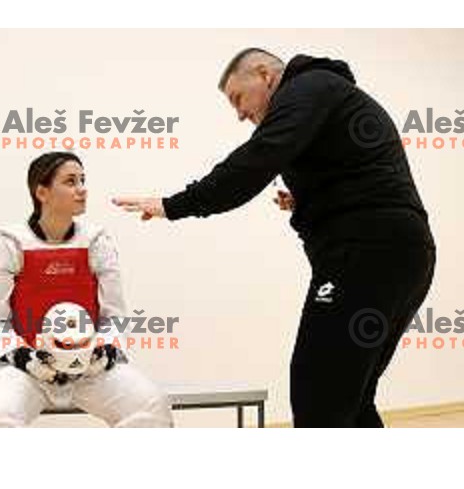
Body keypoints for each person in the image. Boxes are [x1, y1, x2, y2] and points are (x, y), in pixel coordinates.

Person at [113, 48, 436, 428]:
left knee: (318, 394)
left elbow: (255, 161)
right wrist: (307, 199)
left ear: (265, 74)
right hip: (400, 254)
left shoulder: (308, 87)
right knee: (348, 398)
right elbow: (361, 175)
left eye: (238, 98)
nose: (239, 113)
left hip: (367, 253)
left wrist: (173, 204)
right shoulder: (324, 95)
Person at [0, 151, 173, 428]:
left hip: (90, 370)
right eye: (70, 181)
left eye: (83, 180)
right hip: (27, 370)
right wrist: (23, 357)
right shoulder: (9, 244)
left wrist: (104, 351)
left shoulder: (96, 242)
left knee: (152, 405)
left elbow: (115, 316)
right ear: (41, 192)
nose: (82, 189)